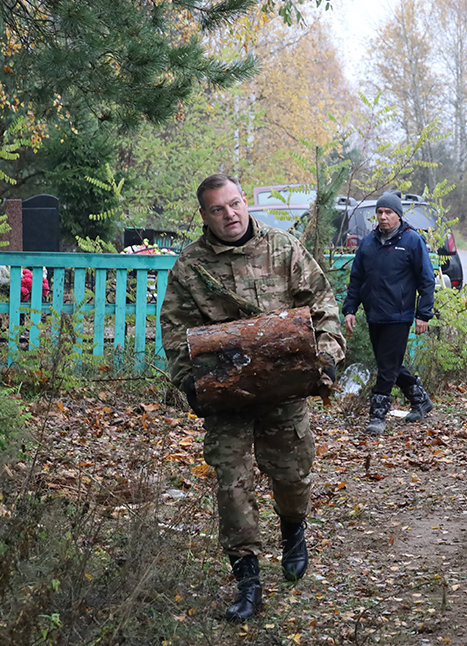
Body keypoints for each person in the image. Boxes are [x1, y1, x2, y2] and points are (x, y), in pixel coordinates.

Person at [160, 174, 345, 622]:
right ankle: (248, 583)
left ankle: (293, 530)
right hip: (227, 398)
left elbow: (323, 306)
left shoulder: (283, 248)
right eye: (218, 209)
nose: (230, 214)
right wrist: (190, 384)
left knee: (292, 475)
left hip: (285, 390)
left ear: (245, 202)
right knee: (232, 485)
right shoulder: (190, 267)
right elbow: (175, 333)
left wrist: (327, 356)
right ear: (204, 215)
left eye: (235, 203)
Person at [342, 191, 436, 435]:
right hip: (375, 314)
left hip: (399, 315)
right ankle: (420, 400)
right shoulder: (368, 243)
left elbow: (427, 280)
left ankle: (377, 415)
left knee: (386, 368)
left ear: (398, 215)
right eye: (380, 213)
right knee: (390, 365)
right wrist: (350, 309)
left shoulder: (412, 241)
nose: (383, 217)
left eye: (388, 213)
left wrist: (423, 314)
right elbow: (357, 280)